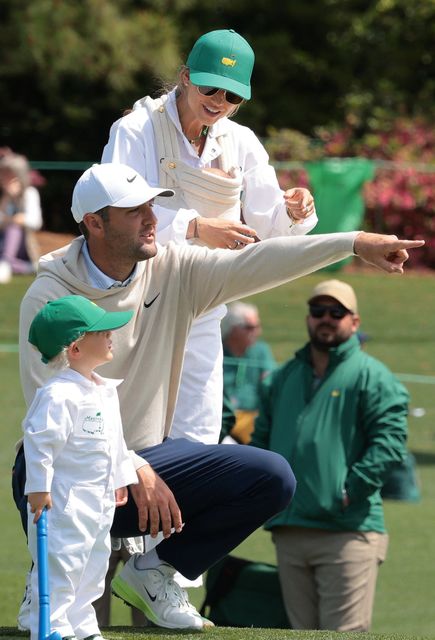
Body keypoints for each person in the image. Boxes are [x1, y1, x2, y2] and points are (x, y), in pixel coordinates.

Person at [13, 163, 423, 631]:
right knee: (38, 464)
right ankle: (47, 576)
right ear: (94, 222)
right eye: (133, 211)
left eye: (151, 205)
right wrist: (132, 467)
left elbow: (259, 263)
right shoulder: (47, 297)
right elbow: (51, 411)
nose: (151, 218)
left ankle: (156, 571)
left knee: (270, 477)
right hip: (70, 472)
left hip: (149, 470)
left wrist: (353, 243)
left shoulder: (173, 268)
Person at [102, 28, 318, 446]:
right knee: (124, 425)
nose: (219, 102)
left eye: (232, 96)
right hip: (131, 300)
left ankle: (184, 512)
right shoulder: (134, 129)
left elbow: (268, 224)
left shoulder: (242, 142)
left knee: (198, 433)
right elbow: (116, 209)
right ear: (185, 76)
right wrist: (196, 227)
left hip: (204, 301)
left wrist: (294, 210)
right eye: (211, 87)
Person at [251, 279, 410, 631]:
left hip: (347, 533)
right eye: (318, 311)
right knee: (300, 636)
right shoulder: (283, 376)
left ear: (354, 321)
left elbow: (390, 444)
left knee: (342, 636)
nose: (326, 318)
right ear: (308, 318)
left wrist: (349, 491)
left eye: (336, 312)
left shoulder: (373, 376)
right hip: (290, 532)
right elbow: (261, 443)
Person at [23, 294, 137, 640]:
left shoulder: (104, 391)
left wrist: (120, 477)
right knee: (63, 562)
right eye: (101, 333)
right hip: (63, 503)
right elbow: (40, 441)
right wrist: (39, 488)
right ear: (75, 348)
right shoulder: (59, 395)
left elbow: (115, 442)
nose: (110, 335)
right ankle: (51, 623)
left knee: (95, 561)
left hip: (98, 501)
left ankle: (82, 623)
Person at [221, 301, 276, 443]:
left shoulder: (261, 351)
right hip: (221, 418)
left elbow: (271, 384)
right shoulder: (217, 351)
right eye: (250, 327)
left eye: (257, 326)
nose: (257, 332)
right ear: (233, 329)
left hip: (251, 420)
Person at [0, 152, 43, 283]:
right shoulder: (4, 197)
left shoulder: (30, 193)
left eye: (9, 174)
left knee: (14, 227)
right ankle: (26, 268)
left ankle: (6, 263)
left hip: (23, 246)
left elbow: (36, 222)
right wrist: (8, 198)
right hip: (3, 243)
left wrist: (19, 219)